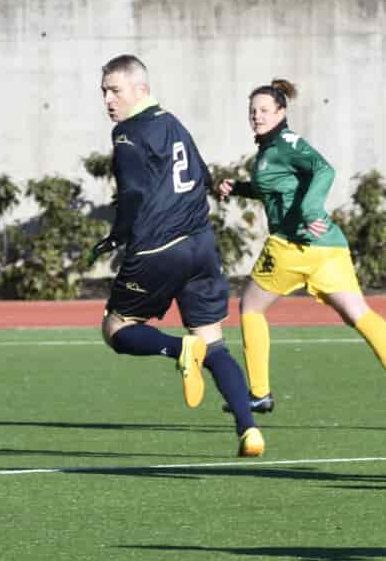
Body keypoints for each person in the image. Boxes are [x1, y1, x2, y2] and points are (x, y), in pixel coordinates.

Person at [215, 79, 386, 426]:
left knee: (250, 308)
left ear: (282, 113)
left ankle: (260, 393)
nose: (257, 116)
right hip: (328, 247)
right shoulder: (271, 149)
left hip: (290, 246)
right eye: (253, 111)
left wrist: (311, 210)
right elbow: (279, 189)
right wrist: (239, 188)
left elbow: (324, 169)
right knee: (358, 314)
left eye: (265, 110)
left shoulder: (285, 143)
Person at [93, 54, 264, 457]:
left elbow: (133, 193)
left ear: (141, 90)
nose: (108, 100)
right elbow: (203, 176)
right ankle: (249, 429)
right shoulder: (174, 123)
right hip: (202, 246)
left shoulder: (127, 135)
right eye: (103, 91)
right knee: (215, 343)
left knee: (115, 328)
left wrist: (117, 235)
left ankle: (178, 349)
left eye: (115, 90)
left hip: (158, 248)